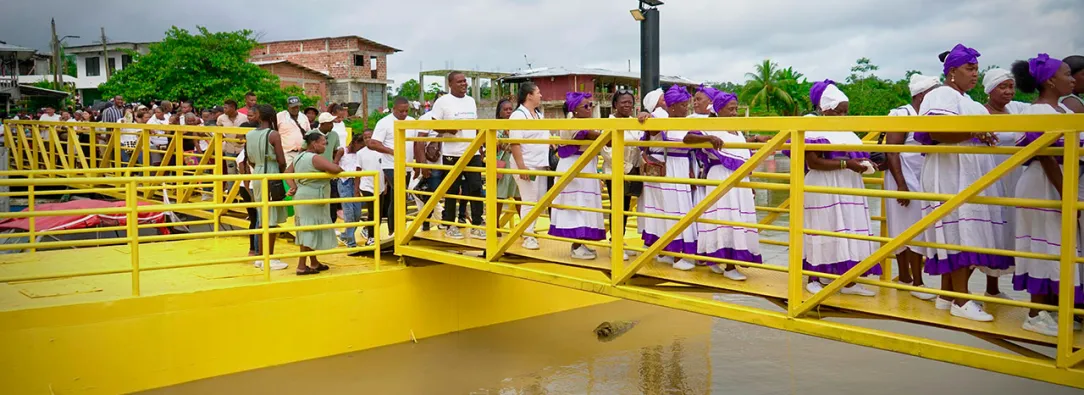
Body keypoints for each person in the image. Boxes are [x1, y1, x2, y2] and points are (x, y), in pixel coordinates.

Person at [914, 44, 1010, 322]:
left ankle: (947, 295)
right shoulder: (941, 94)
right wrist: (975, 132)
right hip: (950, 172)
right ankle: (961, 299)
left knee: (966, 231)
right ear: (952, 71)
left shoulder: (972, 102)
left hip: (967, 171)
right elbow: (937, 131)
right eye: (970, 69)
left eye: (977, 70)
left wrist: (985, 135)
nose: (975, 74)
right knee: (959, 231)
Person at [1009, 53, 1080, 336]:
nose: (1072, 78)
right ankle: (1035, 313)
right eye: (1067, 74)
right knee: (1042, 246)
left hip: (1062, 181)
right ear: (1050, 81)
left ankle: (1054, 310)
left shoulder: (1066, 111)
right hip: (1044, 182)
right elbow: (1047, 156)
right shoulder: (1037, 111)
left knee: (1058, 247)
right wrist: (1066, 194)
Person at [790, 80, 879, 296]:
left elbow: (855, 155)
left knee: (847, 229)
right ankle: (814, 276)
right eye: (839, 111)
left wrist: (867, 164)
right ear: (825, 109)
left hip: (846, 186)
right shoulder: (813, 125)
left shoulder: (846, 131)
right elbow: (813, 162)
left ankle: (847, 280)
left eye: (845, 112)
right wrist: (846, 164)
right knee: (823, 227)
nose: (843, 116)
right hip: (824, 184)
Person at [640, 85, 718, 271]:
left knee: (674, 209)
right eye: (683, 105)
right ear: (673, 106)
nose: (687, 108)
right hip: (670, 167)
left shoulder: (682, 120)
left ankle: (667, 251)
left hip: (681, 166)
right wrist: (645, 115)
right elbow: (685, 139)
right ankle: (675, 255)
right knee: (674, 209)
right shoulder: (661, 116)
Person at [690, 90, 760, 281]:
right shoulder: (712, 126)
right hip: (721, 176)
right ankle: (728, 265)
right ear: (719, 110)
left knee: (737, 218)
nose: (735, 113)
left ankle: (724, 261)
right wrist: (708, 139)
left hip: (739, 181)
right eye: (731, 109)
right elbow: (688, 138)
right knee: (725, 217)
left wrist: (750, 185)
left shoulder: (737, 131)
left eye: (736, 109)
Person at [883, 74, 939, 301]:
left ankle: (907, 279)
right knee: (908, 227)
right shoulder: (902, 114)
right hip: (902, 176)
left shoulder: (929, 116)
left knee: (915, 226)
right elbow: (892, 149)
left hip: (919, 176)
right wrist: (901, 184)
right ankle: (915, 280)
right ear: (920, 95)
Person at [981, 68, 1031, 300]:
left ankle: (993, 288)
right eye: (1002, 87)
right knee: (987, 229)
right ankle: (954, 291)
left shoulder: (1018, 109)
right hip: (989, 176)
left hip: (1015, 177)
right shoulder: (980, 113)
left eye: (1011, 86)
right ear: (990, 90)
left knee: (1008, 229)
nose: (1009, 92)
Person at [550, 92, 606, 260]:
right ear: (575, 110)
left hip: (585, 166)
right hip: (574, 166)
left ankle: (580, 243)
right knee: (576, 204)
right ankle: (575, 245)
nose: (590, 109)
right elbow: (598, 137)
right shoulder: (574, 125)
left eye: (591, 105)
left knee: (585, 203)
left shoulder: (586, 123)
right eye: (586, 106)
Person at [430, 71, 483, 240]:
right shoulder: (442, 102)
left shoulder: (471, 101)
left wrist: (480, 148)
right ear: (450, 84)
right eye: (459, 82)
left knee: (475, 188)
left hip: (471, 151)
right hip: (453, 153)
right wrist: (447, 129)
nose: (463, 84)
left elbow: (475, 125)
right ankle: (449, 224)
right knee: (452, 190)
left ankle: (476, 223)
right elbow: (433, 124)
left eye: (465, 81)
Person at [285, 132, 344, 275]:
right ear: (314, 144)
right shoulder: (315, 158)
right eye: (323, 143)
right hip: (312, 197)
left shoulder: (299, 157)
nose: (325, 146)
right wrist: (339, 168)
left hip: (302, 195)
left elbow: (287, 172)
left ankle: (314, 262)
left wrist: (293, 186)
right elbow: (335, 169)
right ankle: (301, 265)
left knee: (307, 229)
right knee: (309, 230)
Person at [244, 104, 289, 271]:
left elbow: (250, 159)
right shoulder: (273, 134)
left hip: (257, 173)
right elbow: (282, 161)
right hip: (271, 174)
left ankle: (261, 256)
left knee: (262, 217)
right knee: (270, 219)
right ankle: (268, 258)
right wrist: (281, 173)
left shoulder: (249, 135)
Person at [508, 83, 547, 250]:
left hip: (539, 163)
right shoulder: (518, 116)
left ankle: (530, 230)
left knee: (538, 200)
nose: (541, 95)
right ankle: (528, 236)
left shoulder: (537, 114)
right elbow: (515, 142)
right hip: (526, 163)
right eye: (538, 92)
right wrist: (521, 166)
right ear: (529, 95)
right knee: (529, 199)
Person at [369, 97, 415, 237]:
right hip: (391, 165)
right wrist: (391, 151)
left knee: (401, 196)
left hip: (408, 165)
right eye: (401, 111)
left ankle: (400, 226)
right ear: (394, 109)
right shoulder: (384, 123)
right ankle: (393, 229)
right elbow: (373, 143)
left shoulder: (412, 122)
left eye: (406, 111)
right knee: (399, 194)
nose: (404, 114)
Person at [607, 90, 644, 261]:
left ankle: (619, 240)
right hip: (616, 173)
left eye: (630, 102)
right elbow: (607, 151)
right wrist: (628, 168)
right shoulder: (609, 122)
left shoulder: (634, 122)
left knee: (626, 207)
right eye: (623, 102)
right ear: (615, 104)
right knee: (617, 208)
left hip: (633, 171)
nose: (627, 105)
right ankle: (615, 244)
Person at [309, 112, 344, 222]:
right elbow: (304, 150)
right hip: (314, 172)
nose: (332, 125)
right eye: (330, 123)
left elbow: (336, 151)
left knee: (332, 199)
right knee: (316, 200)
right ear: (323, 124)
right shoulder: (311, 134)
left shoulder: (334, 135)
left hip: (329, 173)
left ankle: (331, 224)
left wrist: (334, 163)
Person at [492, 99, 520, 231]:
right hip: (503, 163)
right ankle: (495, 225)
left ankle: (525, 227)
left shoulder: (516, 124)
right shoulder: (496, 127)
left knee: (519, 195)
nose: (509, 112)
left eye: (510, 109)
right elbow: (498, 145)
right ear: (500, 112)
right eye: (506, 109)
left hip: (516, 162)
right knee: (499, 195)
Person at [337, 133, 367, 249]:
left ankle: (345, 235)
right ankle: (351, 242)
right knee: (349, 213)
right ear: (355, 143)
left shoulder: (361, 154)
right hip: (345, 182)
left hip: (356, 182)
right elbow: (335, 163)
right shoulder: (342, 151)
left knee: (357, 214)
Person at [356, 129, 384, 245]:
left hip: (380, 185)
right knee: (372, 211)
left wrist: (386, 184)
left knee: (380, 213)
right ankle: (371, 237)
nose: (367, 139)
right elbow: (358, 170)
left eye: (370, 137)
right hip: (367, 186)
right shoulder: (360, 153)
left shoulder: (381, 151)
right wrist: (356, 188)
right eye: (365, 138)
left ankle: (371, 231)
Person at [276, 96, 311, 165]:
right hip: (286, 153)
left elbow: (308, 133)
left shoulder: (304, 117)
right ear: (288, 106)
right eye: (293, 107)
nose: (295, 109)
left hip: (302, 152)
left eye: (297, 107)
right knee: (289, 174)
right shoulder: (280, 116)